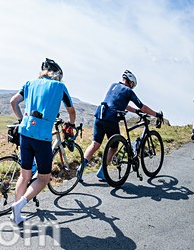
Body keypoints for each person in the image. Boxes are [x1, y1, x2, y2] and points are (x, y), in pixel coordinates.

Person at [9, 58, 76, 225]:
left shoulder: (29, 84)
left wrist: (21, 120)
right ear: (57, 75)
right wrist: (71, 125)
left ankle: (16, 214)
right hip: (42, 137)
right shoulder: (59, 87)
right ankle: (19, 205)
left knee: (24, 175)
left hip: (25, 133)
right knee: (44, 178)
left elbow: (13, 102)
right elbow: (71, 111)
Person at [77, 70, 163, 181]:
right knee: (114, 147)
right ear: (130, 82)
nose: (132, 87)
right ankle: (102, 171)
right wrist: (157, 114)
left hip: (100, 115)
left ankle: (81, 168)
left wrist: (136, 111)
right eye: (133, 85)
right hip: (111, 119)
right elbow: (143, 108)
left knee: (95, 144)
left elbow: (122, 104)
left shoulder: (113, 85)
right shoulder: (128, 91)